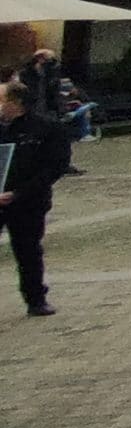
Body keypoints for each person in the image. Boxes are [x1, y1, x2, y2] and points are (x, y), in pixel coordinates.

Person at [1, 81, 72, 315]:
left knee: (28, 250)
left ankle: (35, 299)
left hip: (27, 201)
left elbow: (55, 166)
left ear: (16, 102)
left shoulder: (47, 128)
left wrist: (19, 193)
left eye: (2, 100)